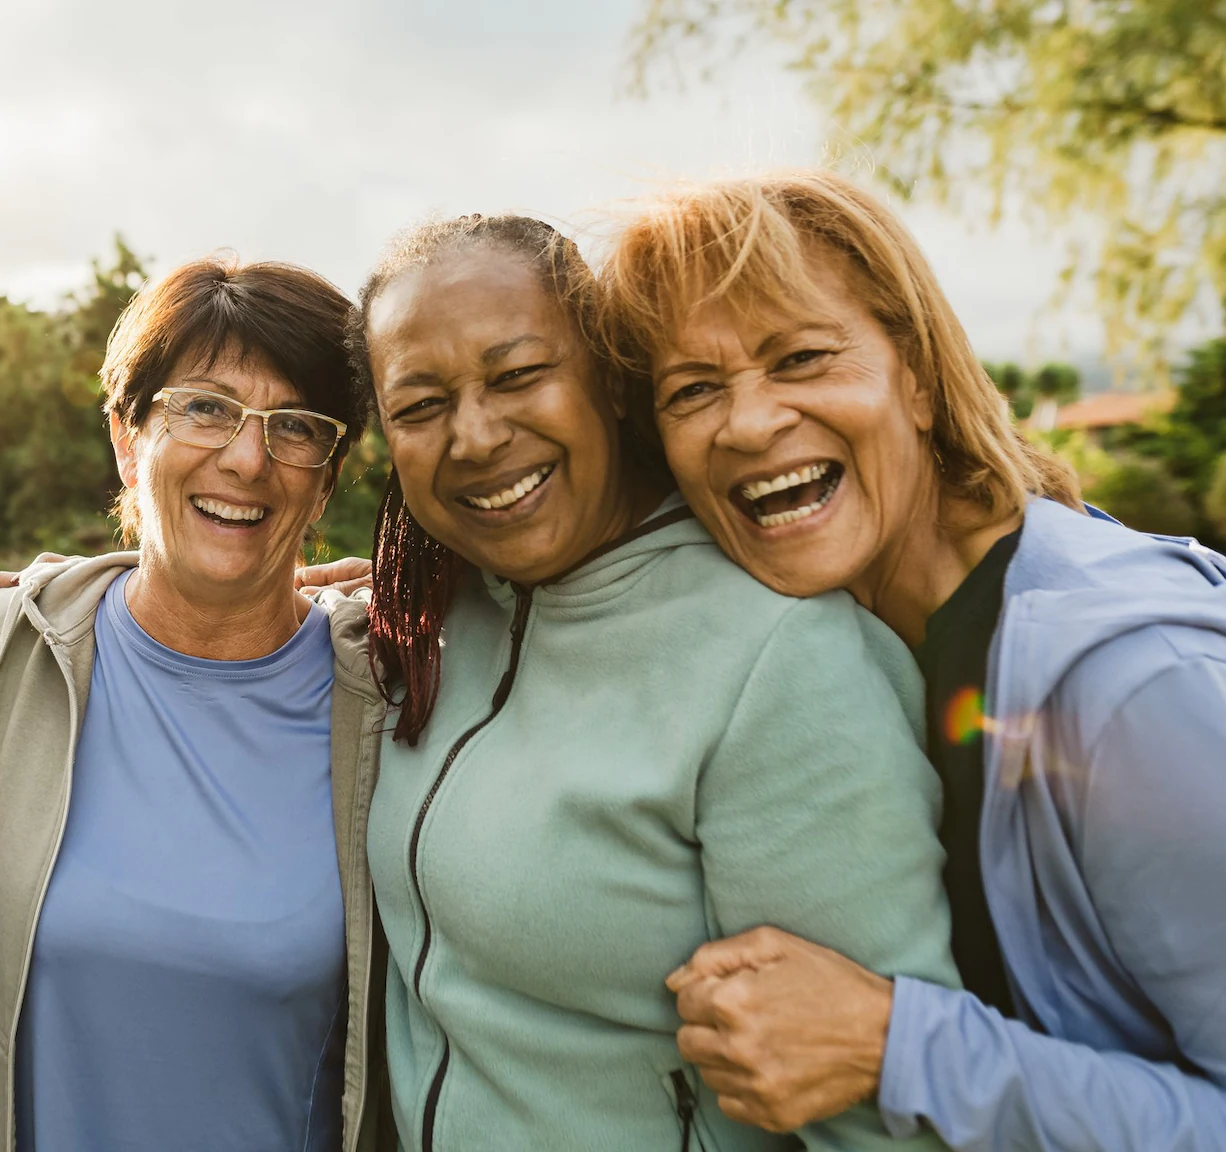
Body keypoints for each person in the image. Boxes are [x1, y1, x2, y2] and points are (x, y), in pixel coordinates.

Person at [604, 169, 1226, 1150]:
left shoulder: (1136, 689)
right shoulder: (853, 635)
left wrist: (897, 1045)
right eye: (691, 390)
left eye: (799, 357)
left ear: (917, 380)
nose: (748, 423)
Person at [349, 213, 958, 1151]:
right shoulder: (435, 619)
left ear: (611, 384)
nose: (473, 435)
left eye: (517, 376)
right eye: (420, 406)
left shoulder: (781, 658)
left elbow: (891, 1120)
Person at [0, 256, 395, 1152]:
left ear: (327, 476)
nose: (247, 459)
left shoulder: (392, 698)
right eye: (204, 407)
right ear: (128, 440)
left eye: (295, 427)